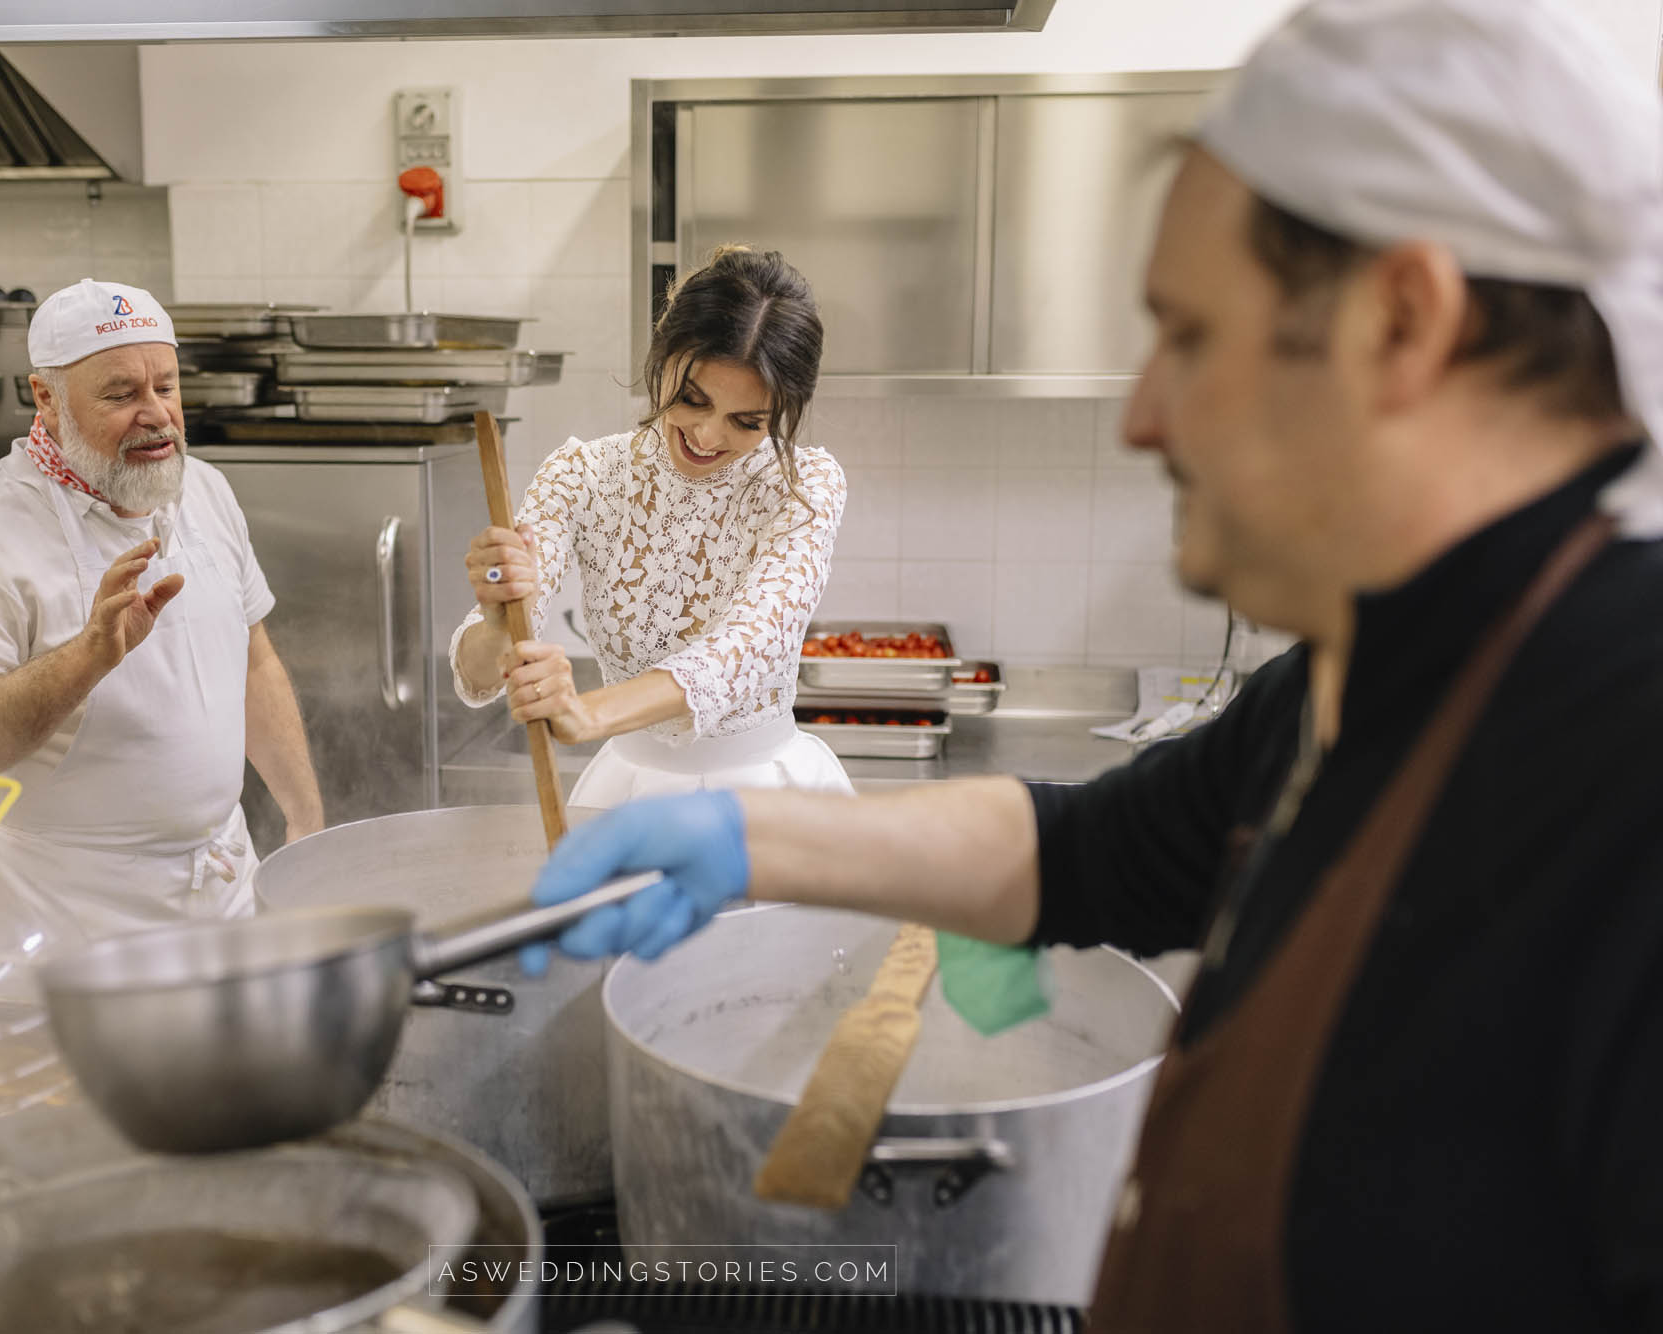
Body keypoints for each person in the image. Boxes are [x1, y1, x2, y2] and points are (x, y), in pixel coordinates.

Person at [515, 1, 1663, 1327]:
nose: (1142, 415)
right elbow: (1082, 849)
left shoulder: (1623, 758)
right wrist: (744, 837)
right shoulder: (1357, 684)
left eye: (1190, 334)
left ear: (1402, 324)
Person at [0, 279, 323, 937]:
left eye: (166, 387)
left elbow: (253, 662)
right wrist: (85, 659)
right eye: (121, 395)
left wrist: (305, 821)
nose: (155, 415)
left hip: (226, 894)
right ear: (46, 399)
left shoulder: (205, 490)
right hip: (70, 924)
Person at [450, 245, 853, 803]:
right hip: (629, 788)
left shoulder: (804, 486)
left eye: (746, 421)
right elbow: (480, 676)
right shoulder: (580, 474)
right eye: (692, 399)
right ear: (662, 356)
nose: (707, 436)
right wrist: (499, 620)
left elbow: (750, 642)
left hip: (764, 798)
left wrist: (586, 713)